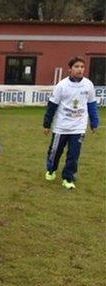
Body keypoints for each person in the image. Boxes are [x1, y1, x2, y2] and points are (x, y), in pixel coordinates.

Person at [43, 56, 99, 189]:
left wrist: (94, 122)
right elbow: (52, 106)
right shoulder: (61, 86)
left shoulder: (88, 84)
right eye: (77, 67)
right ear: (70, 69)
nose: (80, 69)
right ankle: (51, 169)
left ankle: (68, 178)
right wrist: (47, 124)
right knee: (55, 152)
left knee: (73, 155)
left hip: (78, 127)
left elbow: (92, 104)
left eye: (82, 67)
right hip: (61, 126)